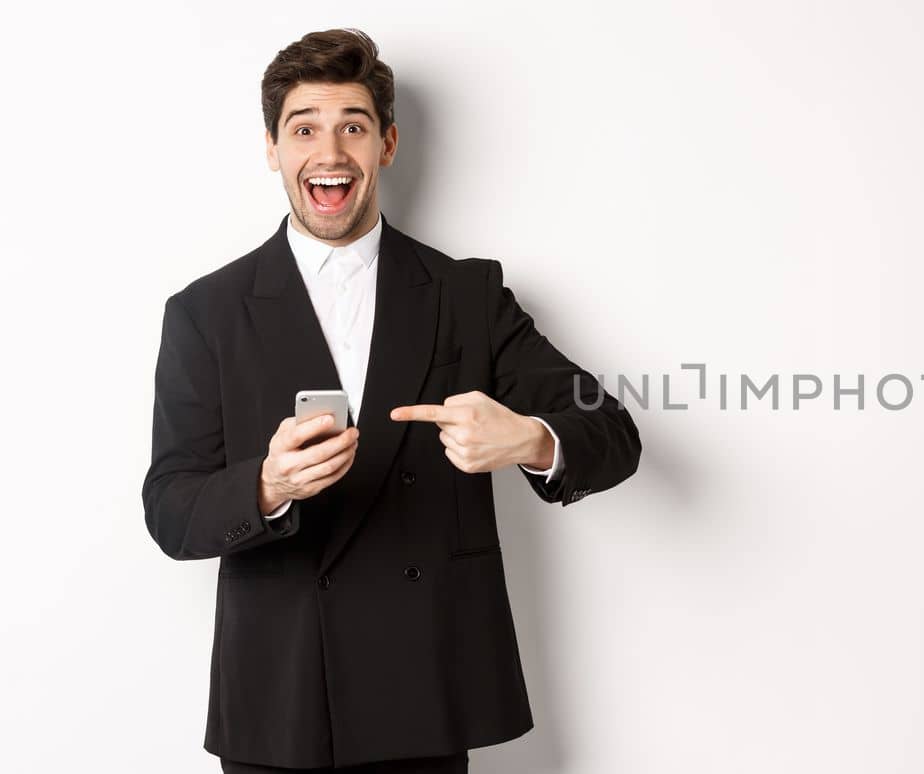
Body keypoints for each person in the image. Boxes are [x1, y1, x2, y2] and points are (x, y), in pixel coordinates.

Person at [141, 28, 643, 773]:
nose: (330, 151)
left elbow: (614, 432)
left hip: (424, 690)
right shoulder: (206, 312)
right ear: (273, 149)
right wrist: (267, 484)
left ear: (388, 144)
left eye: (353, 126)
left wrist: (531, 440)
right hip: (278, 702)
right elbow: (171, 509)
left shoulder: (467, 294)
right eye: (304, 128)